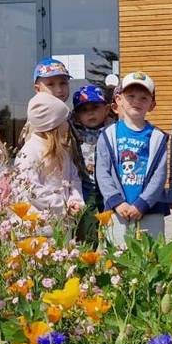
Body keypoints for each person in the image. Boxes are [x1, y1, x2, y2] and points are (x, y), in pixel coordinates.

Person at [95, 72, 171, 245]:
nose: (137, 101)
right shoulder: (108, 135)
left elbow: (159, 175)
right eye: (130, 96)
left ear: (152, 105)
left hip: (150, 210)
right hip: (117, 210)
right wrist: (116, 201)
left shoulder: (157, 137)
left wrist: (142, 204)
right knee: (117, 259)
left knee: (152, 258)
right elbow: (102, 172)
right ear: (119, 99)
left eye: (144, 98)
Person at [14, 92, 85, 220]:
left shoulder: (63, 151)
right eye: (65, 121)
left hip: (63, 223)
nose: (68, 125)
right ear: (54, 127)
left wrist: (75, 200)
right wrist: (61, 205)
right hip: (39, 225)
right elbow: (31, 189)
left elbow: (73, 178)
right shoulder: (29, 152)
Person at [69, 84, 112, 242]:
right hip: (86, 187)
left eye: (95, 107)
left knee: (111, 232)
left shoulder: (113, 128)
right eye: (83, 110)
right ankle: (87, 258)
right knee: (87, 231)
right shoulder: (74, 130)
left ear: (106, 110)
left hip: (109, 189)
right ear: (76, 115)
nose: (90, 113)